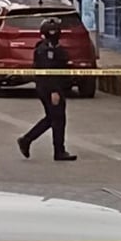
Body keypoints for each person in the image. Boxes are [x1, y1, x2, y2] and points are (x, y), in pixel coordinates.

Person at [17, 18, 77, 162]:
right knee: (58, 119)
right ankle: (57, 150)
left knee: (53, 118)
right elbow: (48, 72)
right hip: (50, 88)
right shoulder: (47, 50)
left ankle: (28, 140)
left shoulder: (50, 47)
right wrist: (54, 91)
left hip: (50, 87)